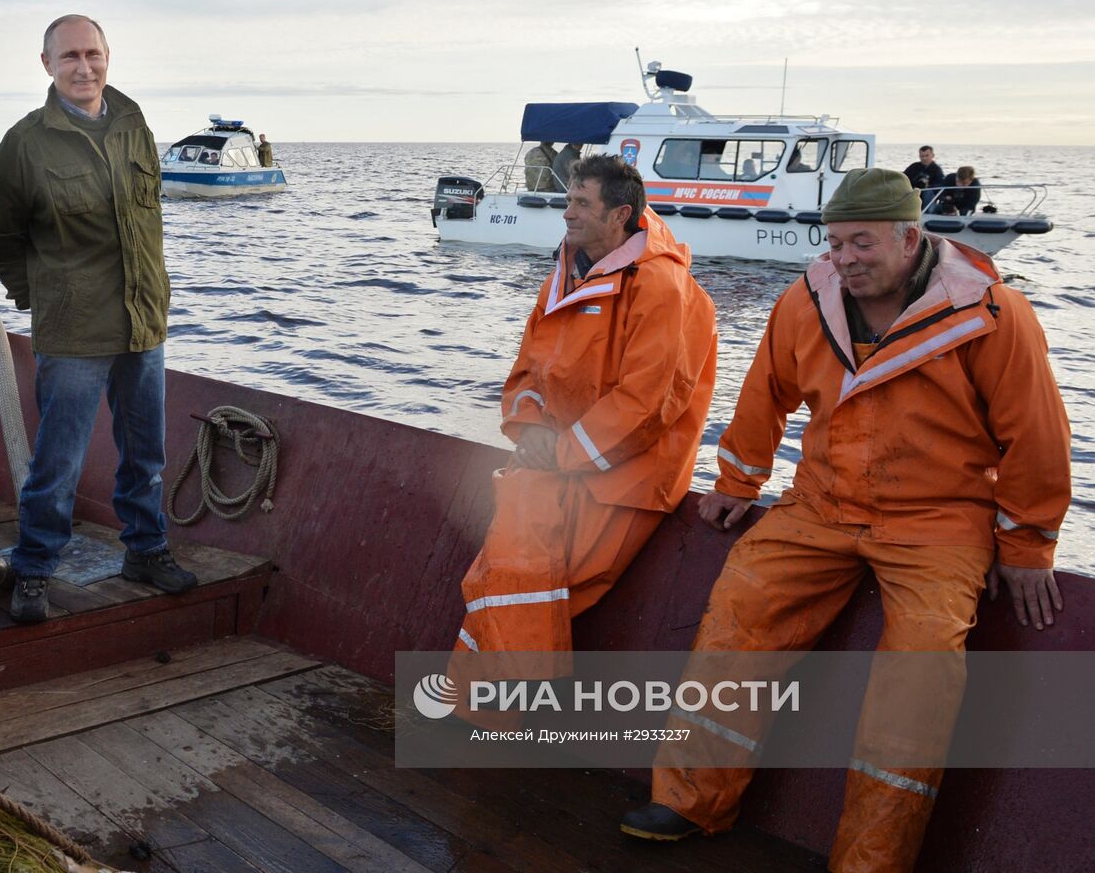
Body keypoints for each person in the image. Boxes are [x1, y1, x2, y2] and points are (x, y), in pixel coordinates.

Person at [623, 168, 1071, 872]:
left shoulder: (992, 315)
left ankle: (870, 860)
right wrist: (739, 480)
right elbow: (763, 389)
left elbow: (1036, 438)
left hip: (938, 520)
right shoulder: (806, 300)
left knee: (920, 670)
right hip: (822, 505)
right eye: (834, 243)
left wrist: (1025, 545)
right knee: (740, 606)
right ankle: (690, 800)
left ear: (909, 238)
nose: (845, 259)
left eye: (861, 242)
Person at [452, 155, 717, 671]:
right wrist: (530, 431)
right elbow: (529, 366)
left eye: (580, 203)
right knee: (504, 575)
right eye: (567, 200)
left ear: (620, 215)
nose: (566, 213)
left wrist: (562, 452)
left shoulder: (661, 287)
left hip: (628, 479)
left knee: (540, 586)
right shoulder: (566, 274)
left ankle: (503, 713)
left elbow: (649, 404)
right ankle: (489, 712)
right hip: (559, 461)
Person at [0, 14, 198, 624]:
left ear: (108, 57)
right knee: (59, 462)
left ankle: (146, 552)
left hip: (143, 323)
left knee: (145, 453)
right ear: (46, 64)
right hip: (73, 331)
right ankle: (34, 568)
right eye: (69, 55)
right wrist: (44, 296)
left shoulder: (134, 125)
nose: (83, 66)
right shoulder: (25, 144)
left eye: (92, 54)